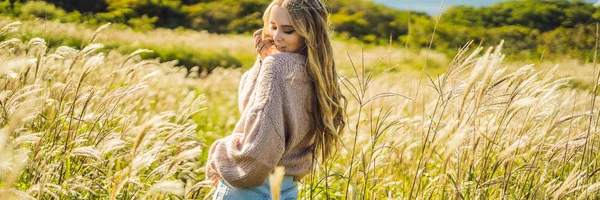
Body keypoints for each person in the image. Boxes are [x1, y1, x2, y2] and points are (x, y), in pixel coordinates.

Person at [205, 0, 346, 199]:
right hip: (287, 188)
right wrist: (262, 61)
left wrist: (220, 153)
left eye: (288, 30)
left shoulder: (278, 66)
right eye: (272, 27)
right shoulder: (319, 71)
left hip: (251, 189)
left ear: (309, 31)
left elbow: (256, 156)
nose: (276, 37)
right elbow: (252, 110)